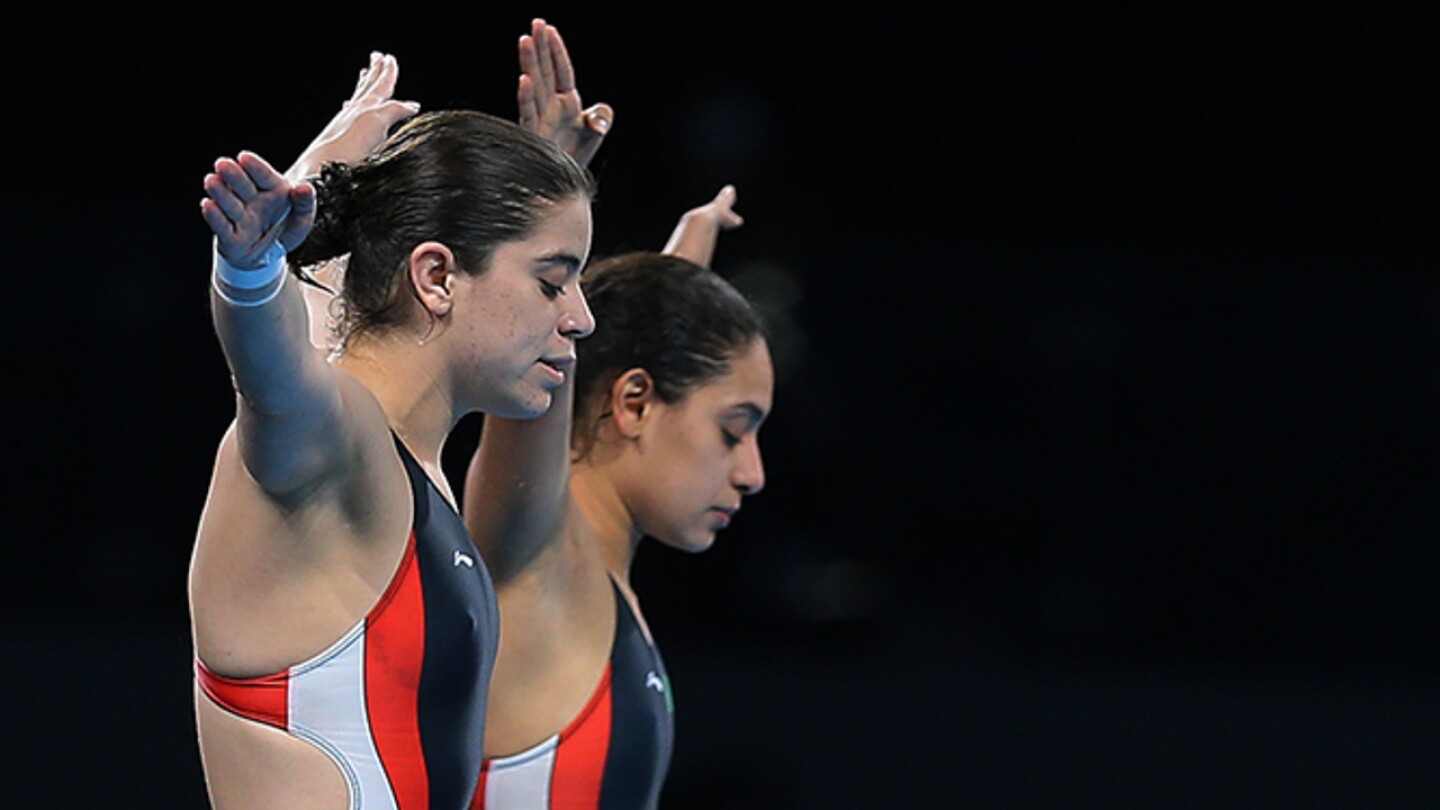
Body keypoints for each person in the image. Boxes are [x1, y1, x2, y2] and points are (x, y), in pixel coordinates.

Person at [190, 52, 597, 809]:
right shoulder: (330, 444)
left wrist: (330, 161)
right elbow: (271, 358)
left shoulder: (391, 455)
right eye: (551, 281)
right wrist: (247, 271)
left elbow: (314, 291)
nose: (581, 316)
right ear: (437, 277)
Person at [462, 23, 770, 809]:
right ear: (632, 403)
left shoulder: (598, 577)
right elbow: (563, 339)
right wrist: (548, 180)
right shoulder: (534, 560)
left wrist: (679, 275)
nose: (752, 472)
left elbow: (626, 349)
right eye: (734, 430)